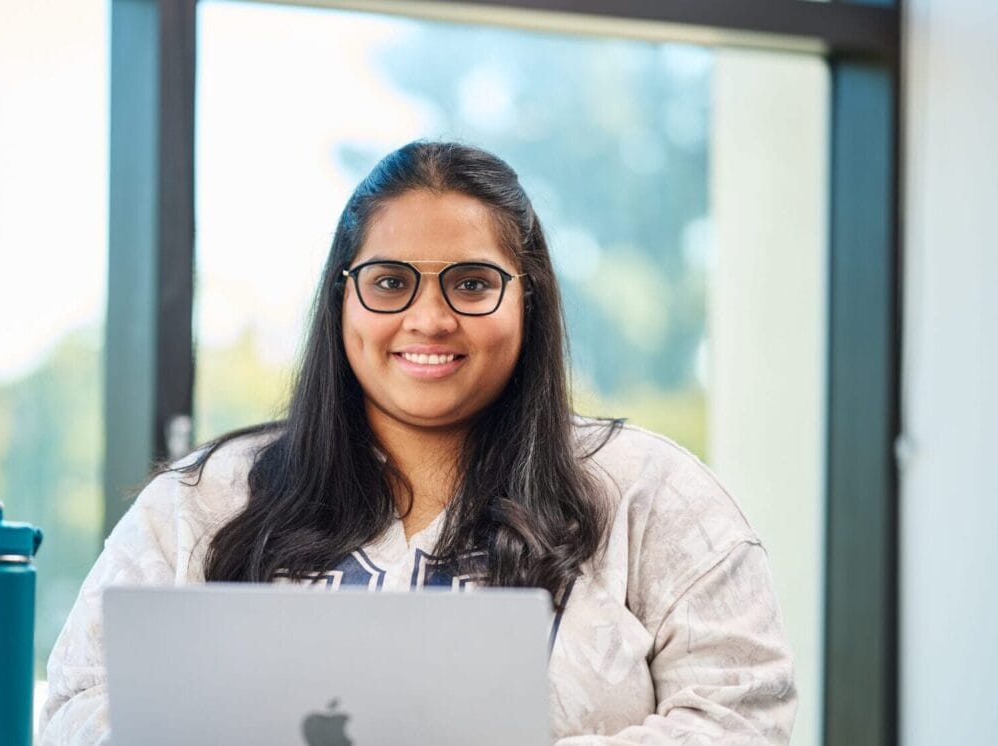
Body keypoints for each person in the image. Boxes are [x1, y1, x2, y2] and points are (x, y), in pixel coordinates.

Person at [40, 141, 797, 744]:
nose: (429, 319)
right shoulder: (203, 499)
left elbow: (742, 717)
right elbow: (78, 704)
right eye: (390, 282)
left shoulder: (654, 494)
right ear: (344, 297)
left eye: (471, 283)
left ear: (527, 300)